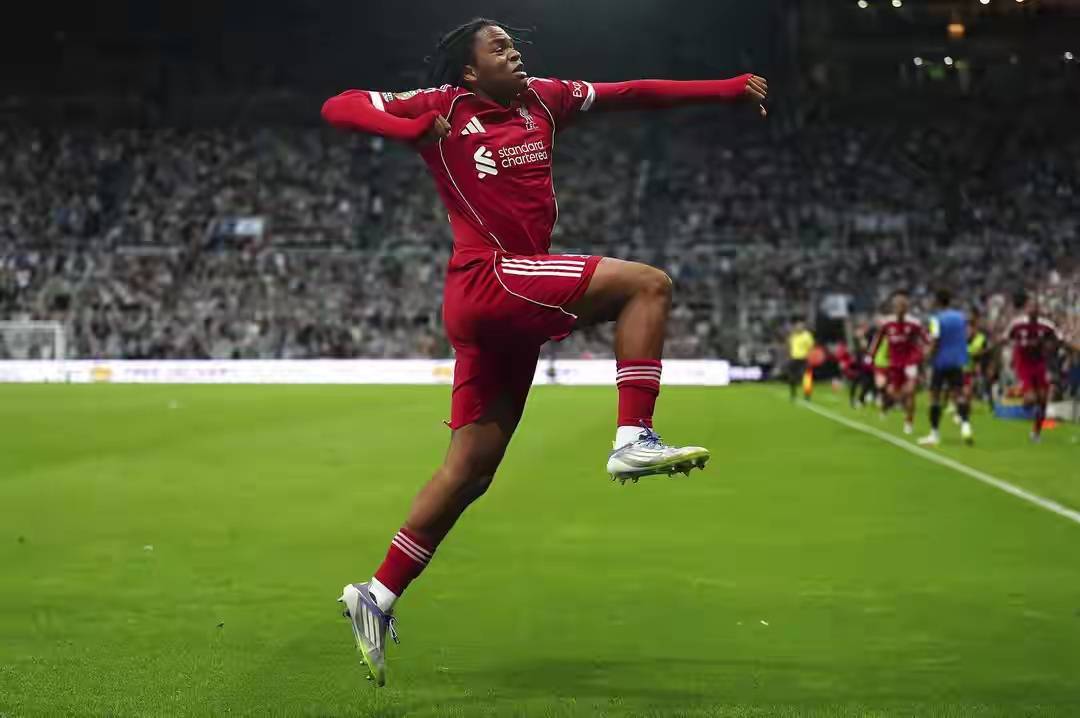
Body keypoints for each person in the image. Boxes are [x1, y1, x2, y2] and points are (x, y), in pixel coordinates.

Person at [320, 17, 769, 685]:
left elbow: (634, 93)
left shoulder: (546, 99)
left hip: (507, 302)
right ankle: (634, 435)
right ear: (470, 70)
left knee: (471, 470)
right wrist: (408, 130)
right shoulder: (444, 106)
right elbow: (339, 105)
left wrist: (725, 88)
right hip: (490, 277)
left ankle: (376, 595)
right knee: (648, 285)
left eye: (513, 43)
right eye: (498, 46)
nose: (514, 52)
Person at [869, 290, 930, 435]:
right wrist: (871, 355)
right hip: (894, 363)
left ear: (907, 307)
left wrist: (925, 353)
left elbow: (927, 339)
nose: (900, 308)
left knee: (910, 392)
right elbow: (877, 339)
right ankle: (891, 404)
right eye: (897, 305)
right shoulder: (887, 323)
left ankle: (909, 422)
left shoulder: (914, 323)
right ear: (894, 307)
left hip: (910, 362)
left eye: (903, 305)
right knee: (892, 392)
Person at [1002, 296, 1062, 443]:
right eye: (1030, 307)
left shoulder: (1046, 325)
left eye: (1035, 307)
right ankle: (1026, 402)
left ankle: (1036, 432)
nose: (1033, 309)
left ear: (1039, 310)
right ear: (1026, 309)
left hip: (1039, 363)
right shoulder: (1017, 324)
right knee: (1032, 399)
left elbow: (1060, 339)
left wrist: (1052, 346)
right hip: (1023, 364)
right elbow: (1005, 338)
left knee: (1043, 400)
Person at [918, 289, 972, 446]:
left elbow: (935, 339)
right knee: (959, 395)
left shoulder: (936, 319)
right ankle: (966, 426)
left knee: (934, 397)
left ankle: (934, 433)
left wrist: (927, 355)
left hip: (941, 361)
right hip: (957, 360)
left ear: (937, 301)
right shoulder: (960, 317)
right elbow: (966, 335)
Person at [786, 318, 814, 401]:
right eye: (798, 326)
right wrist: (789, 355)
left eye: (801, 326)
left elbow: (811, 347)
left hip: (804, 358)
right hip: (794, 358)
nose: (799, 327)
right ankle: (793, 394)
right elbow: (790, 346)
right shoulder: (793, 335)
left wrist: (809, 356)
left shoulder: (807, 335)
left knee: (807, 377)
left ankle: (807, 395)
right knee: (792, 377)